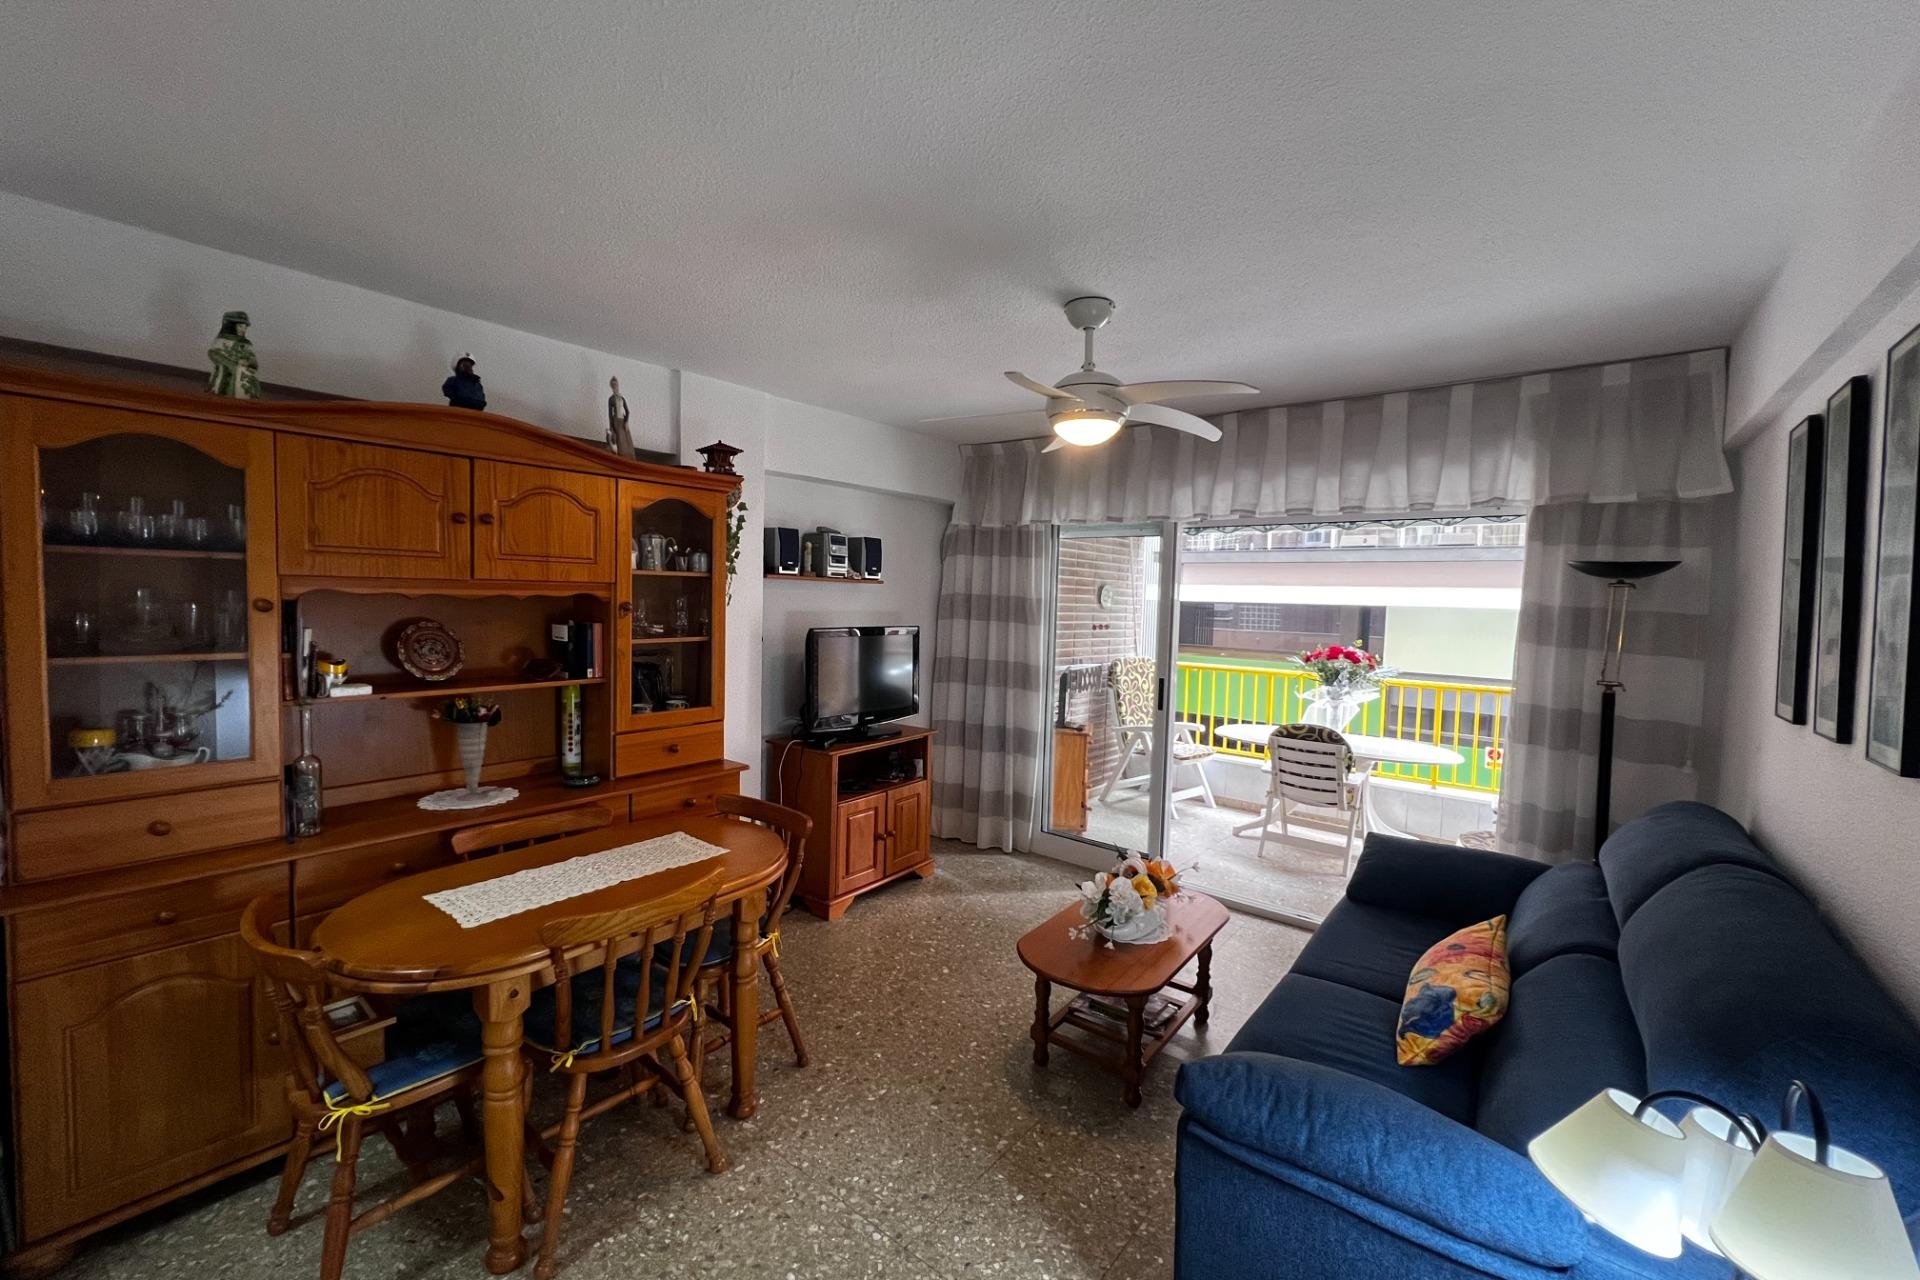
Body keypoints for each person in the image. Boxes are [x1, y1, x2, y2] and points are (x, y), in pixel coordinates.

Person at [206, 311, 261, 399]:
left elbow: (253, 360)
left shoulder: (246, 344)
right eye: (240, 326)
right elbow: (213, 353)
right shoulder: (221, 341)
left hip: (243, 378)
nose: (243, 330)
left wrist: (248, 362)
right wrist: (235, 362)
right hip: (225, 373)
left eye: (245, 327)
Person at [606, 375, 634, 457]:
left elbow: (627, 411)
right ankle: (621, 455)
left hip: (623, 421)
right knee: (619, 440)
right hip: (616, 421)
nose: (615, 387)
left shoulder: (622, 398)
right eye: (613, 385)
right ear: (611, 387)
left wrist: (626, 422)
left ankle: (629, 456)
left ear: (618, 385)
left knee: (626, 440)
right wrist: (611, 427)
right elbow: (610, 414)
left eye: (616, 384)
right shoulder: (611, 399)